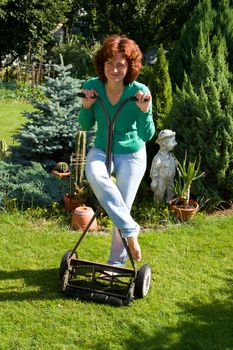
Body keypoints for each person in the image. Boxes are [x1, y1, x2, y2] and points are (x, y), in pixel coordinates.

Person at [79, 34, 155, 267]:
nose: (114, 69)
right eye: (109, 63)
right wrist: (86, 106)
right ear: (102, 64)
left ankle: (115, 264)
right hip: (102, 149)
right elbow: (85, 125)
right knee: (94, 173)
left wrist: (144, 111)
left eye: (120, 64)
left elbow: (147, 135)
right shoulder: (92, 86)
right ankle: (131, 232)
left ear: (129, 66)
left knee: (121, 205)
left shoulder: (139, 91)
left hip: (132, 154)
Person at [150, 129, 177, 203]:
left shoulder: (171, 155)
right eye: (173, 141)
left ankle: (169, 205)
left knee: (171, 193)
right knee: (159, 193)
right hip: (161, 180)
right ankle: (157, 207)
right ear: (164, 143)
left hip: (170, 180)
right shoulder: (158, 158)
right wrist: (154, 180)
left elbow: (175, 164)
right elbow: (154, 170)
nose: (175, 143)